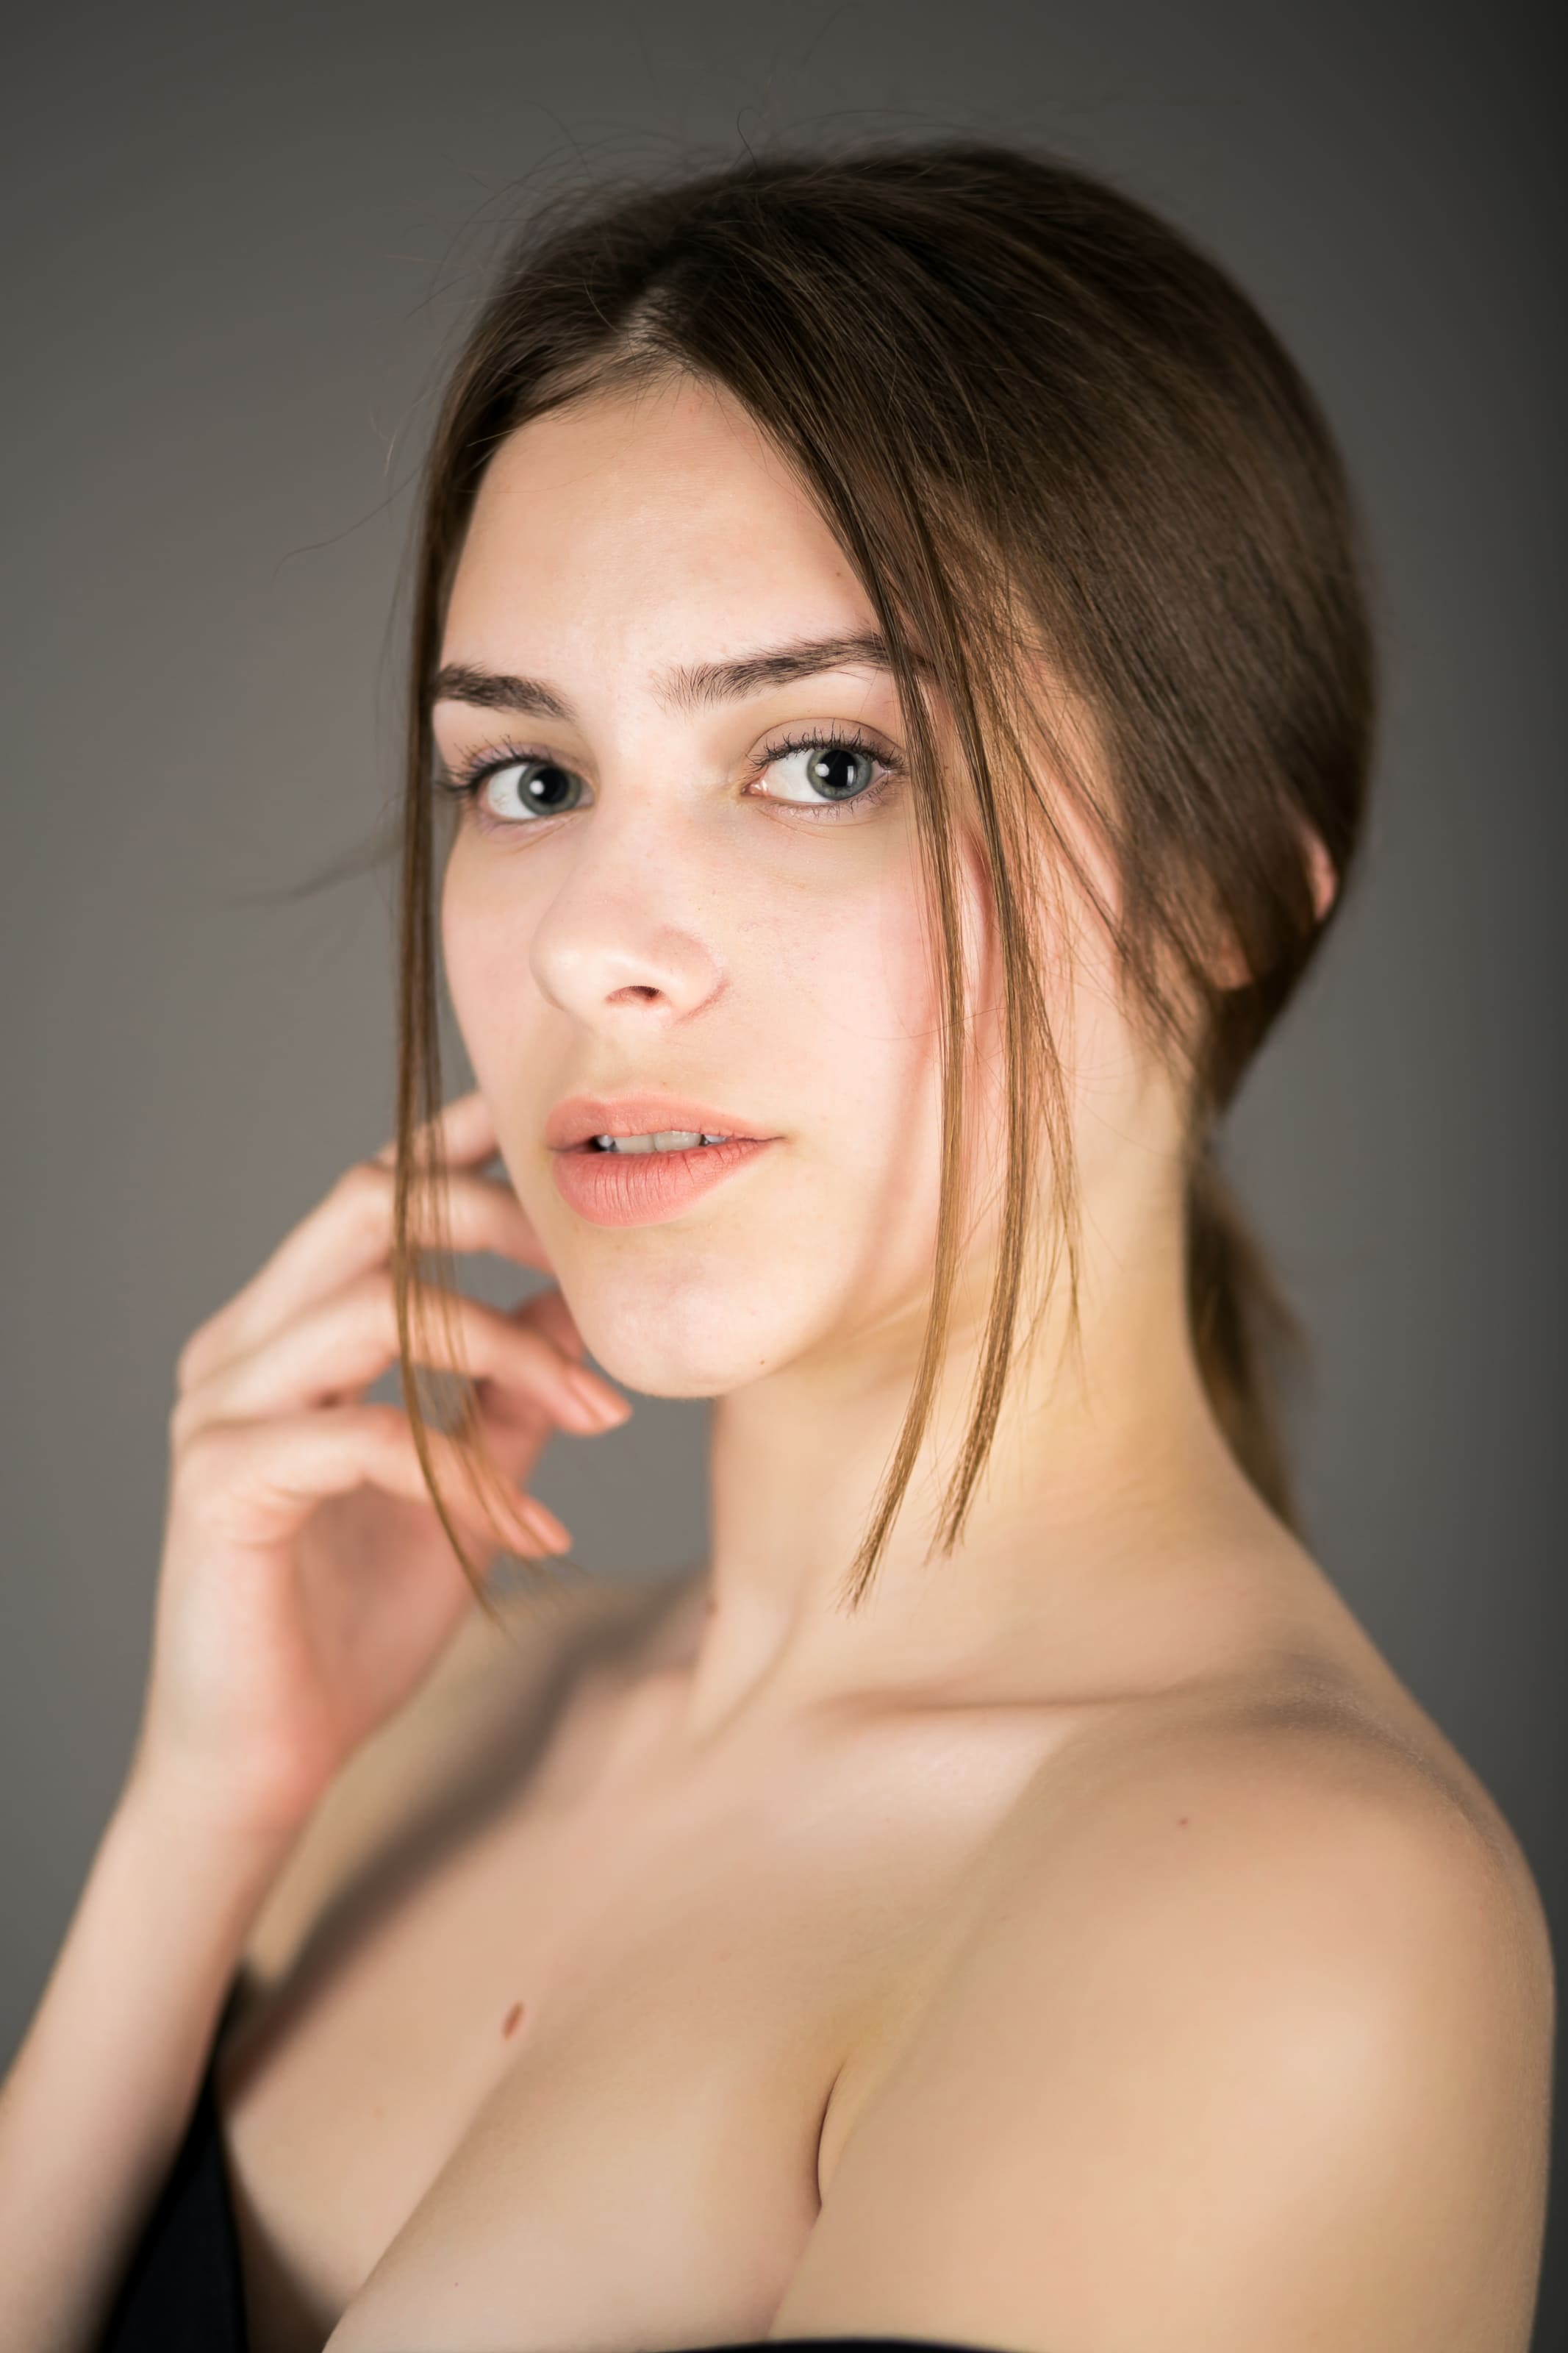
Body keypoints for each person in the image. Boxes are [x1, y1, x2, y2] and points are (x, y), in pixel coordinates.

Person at [0, 141, 1553, 2353]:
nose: (603, 952)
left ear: (1223, 894)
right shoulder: (431, 1730)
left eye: (823, 763)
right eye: (526, 781)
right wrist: (195, 1823)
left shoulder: (1282, 1920)